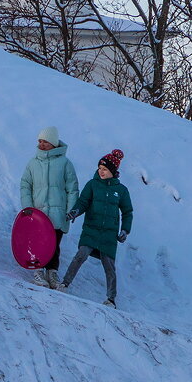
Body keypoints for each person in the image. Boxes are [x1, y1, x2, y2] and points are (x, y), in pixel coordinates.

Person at [57, 149, 134, 307]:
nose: (101, 171)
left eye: (105, 169)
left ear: (113, 171)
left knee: (109, 267)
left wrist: (125, 230)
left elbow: (127, 212)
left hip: (109, 235)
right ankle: (64, 284)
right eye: (99, 168)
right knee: (80, 256)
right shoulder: (92, 185)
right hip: (91, 230)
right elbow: (83, 202)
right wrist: (75, 212)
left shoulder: (121, 190)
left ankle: (111, 299)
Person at [20, 126, 79, 288]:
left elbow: (72, 188)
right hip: (38, 212)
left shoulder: (65, 163)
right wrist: (28, 207)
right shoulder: (33, 163)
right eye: (39, 141)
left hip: (58, 213)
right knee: (38, 242)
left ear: (53, 143)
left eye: (45, 141)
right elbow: (25, 185)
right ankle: (38, 271)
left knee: (53, 244)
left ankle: (52, 272)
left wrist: (71, 210)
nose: (42, 144)